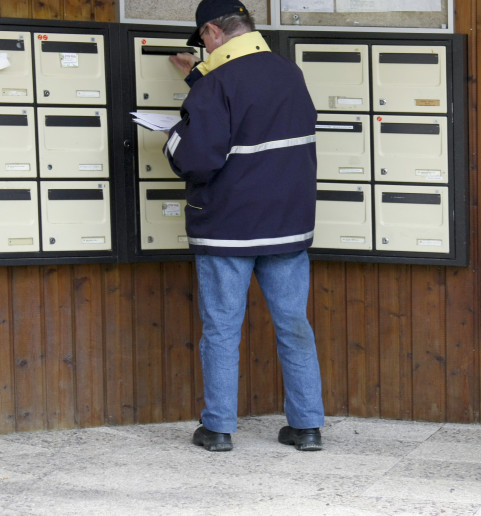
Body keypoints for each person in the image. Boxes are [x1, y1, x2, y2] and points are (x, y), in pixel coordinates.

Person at [163, 0, 325, 452]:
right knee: (294, 326)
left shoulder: (217, 83)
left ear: (213, 32)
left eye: (203, 41)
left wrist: (172, 137)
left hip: (228, 229)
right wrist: (198, 78)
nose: (205, 49)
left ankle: (218, 429)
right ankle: (307, 427)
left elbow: (197, 158)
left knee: (221, 329)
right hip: (286, 225)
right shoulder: (288, 72)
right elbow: (253, 115)